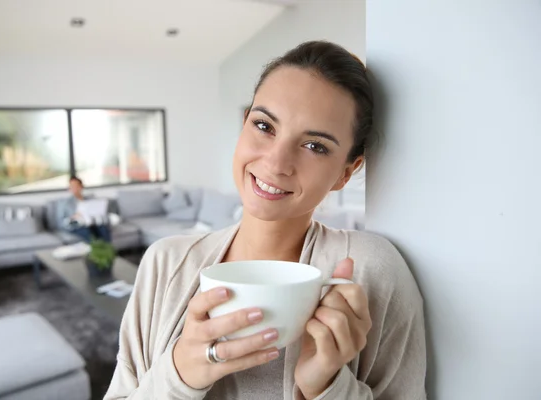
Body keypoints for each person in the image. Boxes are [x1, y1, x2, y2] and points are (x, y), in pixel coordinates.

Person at [104, 41, 426, 399]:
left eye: (315, 146)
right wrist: (179, 374)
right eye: (264, 125)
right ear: (244, 125)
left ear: (345, 173)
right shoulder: (165, 262)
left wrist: (326, 387)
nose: (276, 163)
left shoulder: (372, 272)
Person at [59, 176, 111, 243]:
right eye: (71, 186)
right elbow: (61, 222)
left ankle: (108, 250)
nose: (74, 188)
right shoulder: (66, 203)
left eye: (76, 186)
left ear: (81, 186)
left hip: (91, 223)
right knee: (87, 232)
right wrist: (72, 218)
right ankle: (96, 251)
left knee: (103, 228)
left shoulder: (89, 199)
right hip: (77, 226)